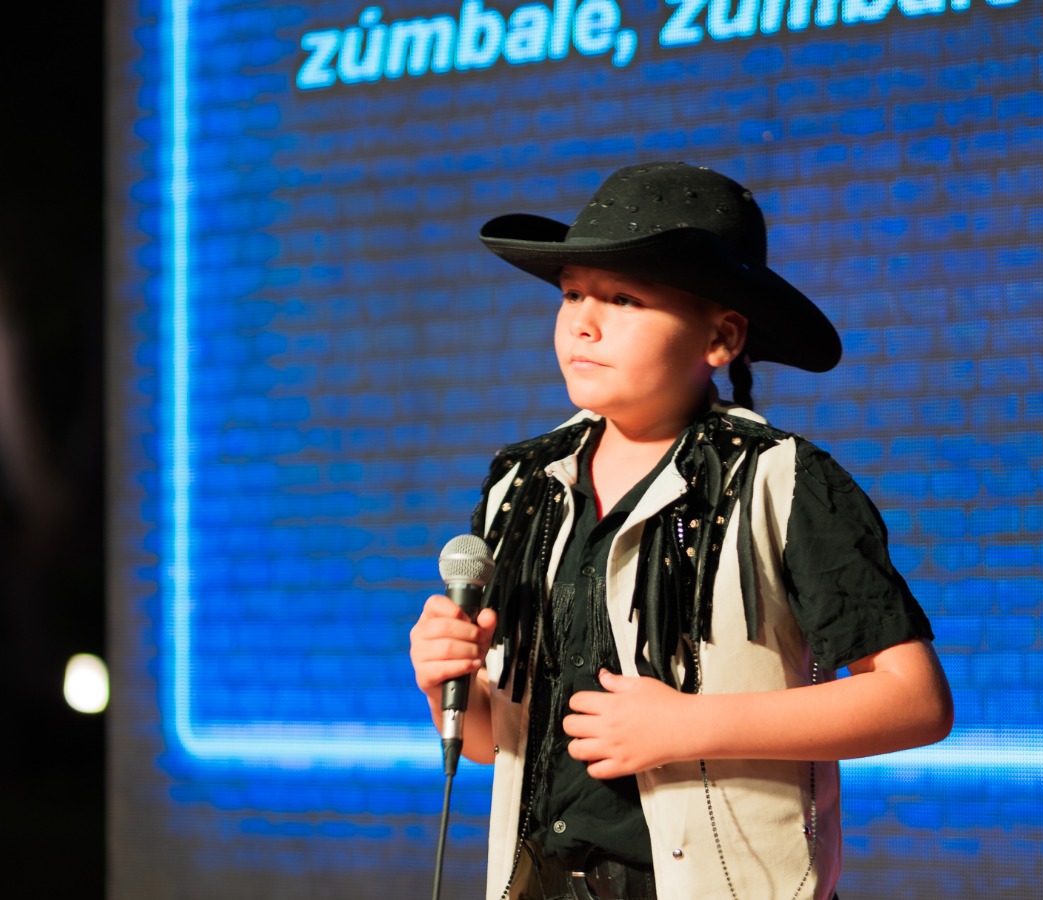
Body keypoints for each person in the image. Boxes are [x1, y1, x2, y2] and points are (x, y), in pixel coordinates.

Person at [408, 161, 953, 900]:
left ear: (721, 337)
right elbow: (489, 743)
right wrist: (448, 677)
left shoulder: (781, 480)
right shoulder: (524, 485)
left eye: (624, 298)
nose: (583, 322)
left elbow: (914, 701)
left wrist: (689, 726)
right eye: (572, 293)